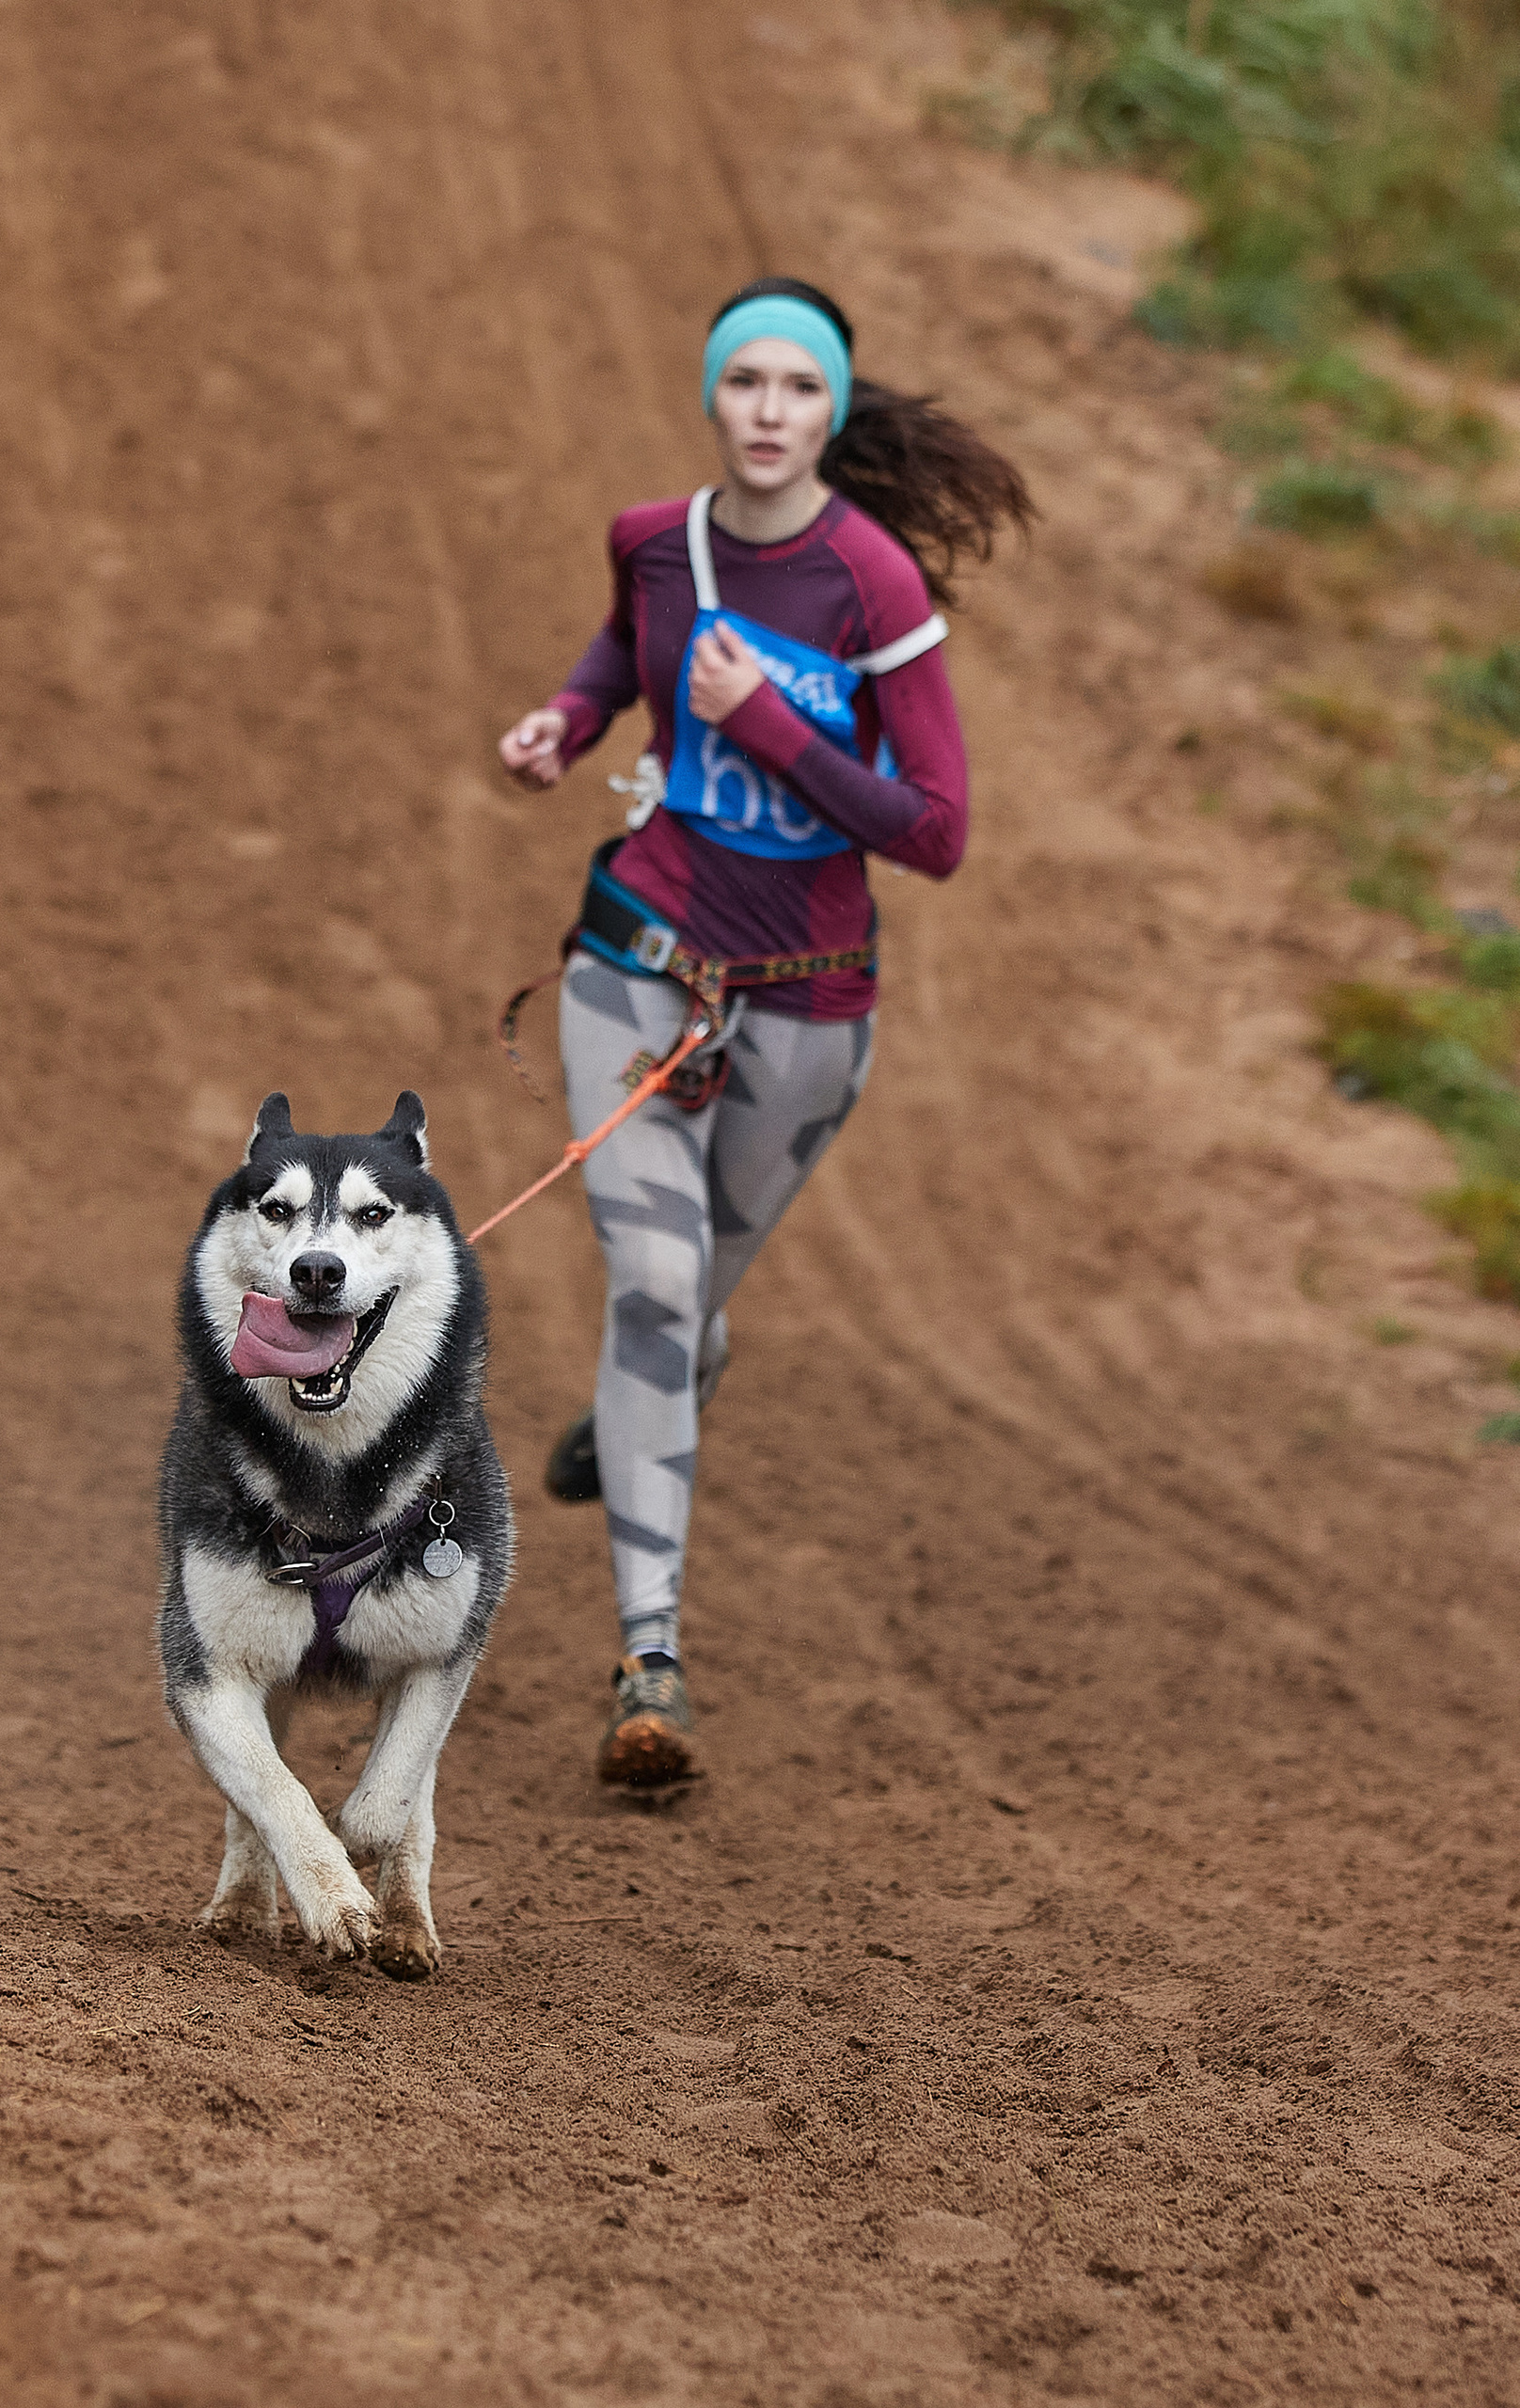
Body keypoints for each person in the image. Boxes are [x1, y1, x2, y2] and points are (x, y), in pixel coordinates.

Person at [496, 276, 1033, 1789]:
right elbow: (624, 646)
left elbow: (934, 835)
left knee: (685, 1310)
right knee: (654, 1287)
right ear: (715, 399)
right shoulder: (656, 545)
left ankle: (651, 1385)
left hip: (808, 1004)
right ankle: (648, 1659)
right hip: (642, 965)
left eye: (802, 388)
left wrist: (771, 726)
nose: (773, 412)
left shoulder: (873, 591)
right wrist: (566, 718)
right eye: (749, 384)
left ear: (835, 412)